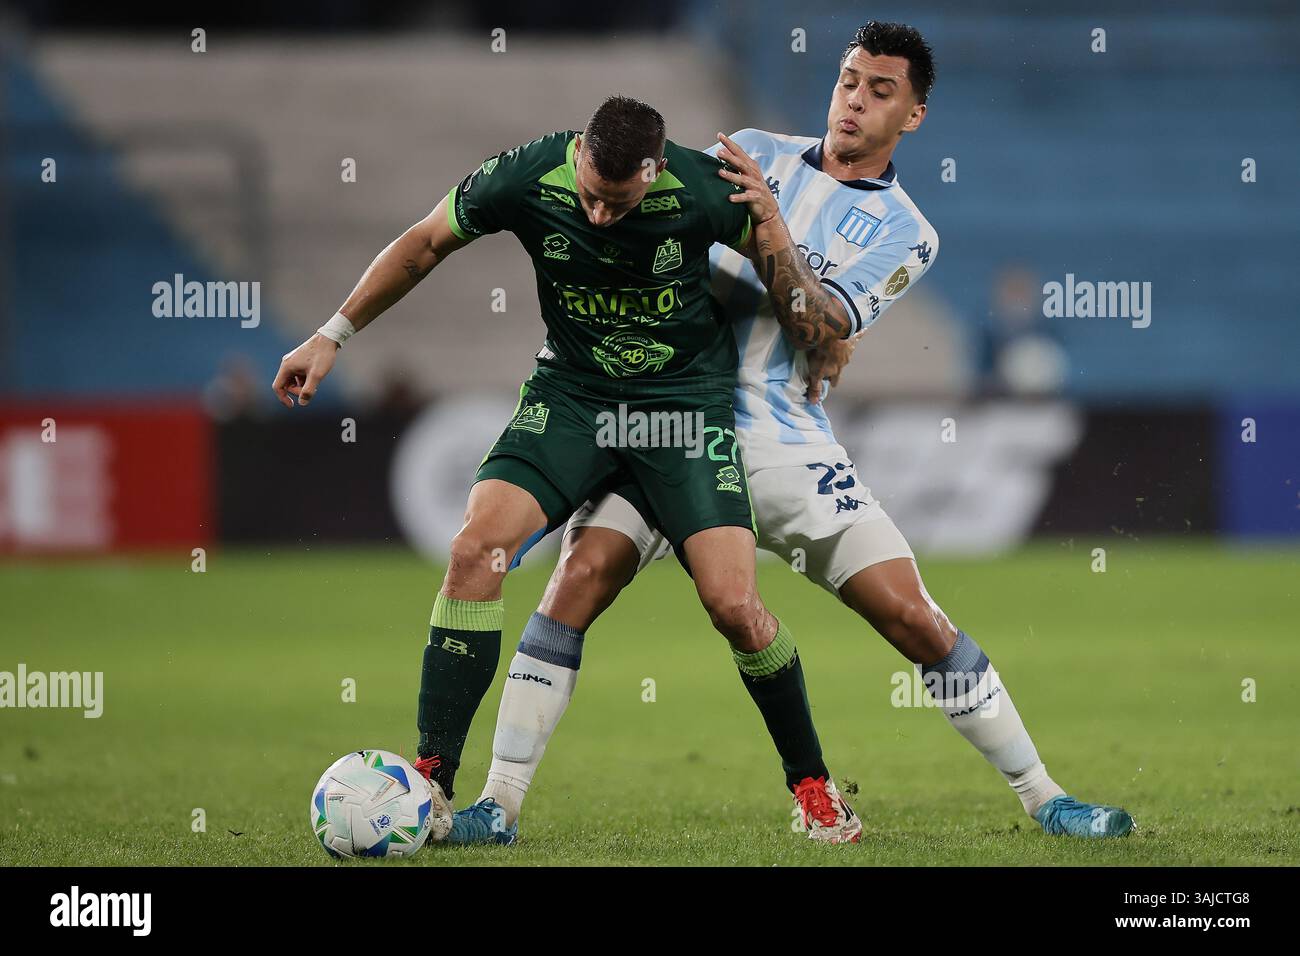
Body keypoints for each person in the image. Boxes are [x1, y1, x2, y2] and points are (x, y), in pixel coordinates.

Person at [450, 22, 1134, 845]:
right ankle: (499, 803)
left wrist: (792, 279)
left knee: (913, 617)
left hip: (783, 438)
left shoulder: (904, 231)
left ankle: (1044, 795)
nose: (855, 100)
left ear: (913, 116)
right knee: (576, 583)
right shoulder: (746, 152)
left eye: (881, 91)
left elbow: (818, 329)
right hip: (668, 414)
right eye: (850, 80)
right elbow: (655, 245)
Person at [272, 94, 862, 844]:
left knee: (735, 608)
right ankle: (431, 784)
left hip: (680, 411)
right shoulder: (527, 174)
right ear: (580, 152)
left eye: (618, 203)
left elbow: (802, 307)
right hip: (574, 397)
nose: (599, 216)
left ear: (653, 172)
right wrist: (332, 334)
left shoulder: (709, 190)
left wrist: (799, 279)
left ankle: (814, 789)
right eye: (589, 195)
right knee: (473, 552)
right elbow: (424, 243)